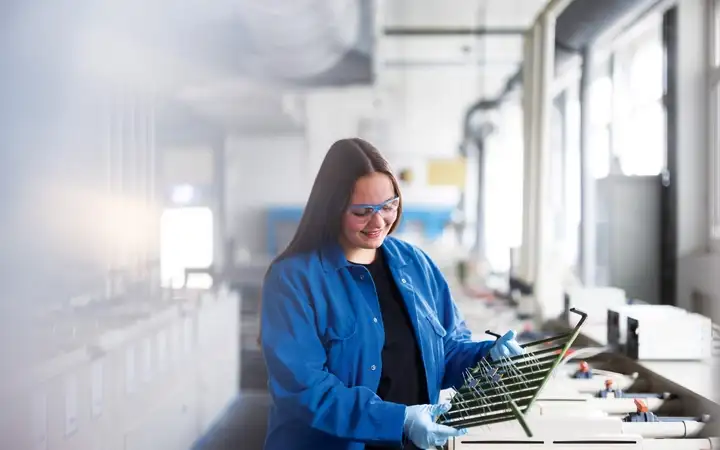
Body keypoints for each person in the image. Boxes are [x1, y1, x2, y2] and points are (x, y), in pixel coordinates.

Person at [260, 138, 523, 450]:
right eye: (362, 211)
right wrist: (399, 421)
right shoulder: (293, 280)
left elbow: (446, 351)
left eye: (388, 206)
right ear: (332, 208)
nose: (378, 221)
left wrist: (486, 357)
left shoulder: (416, 265)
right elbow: (304, 389)